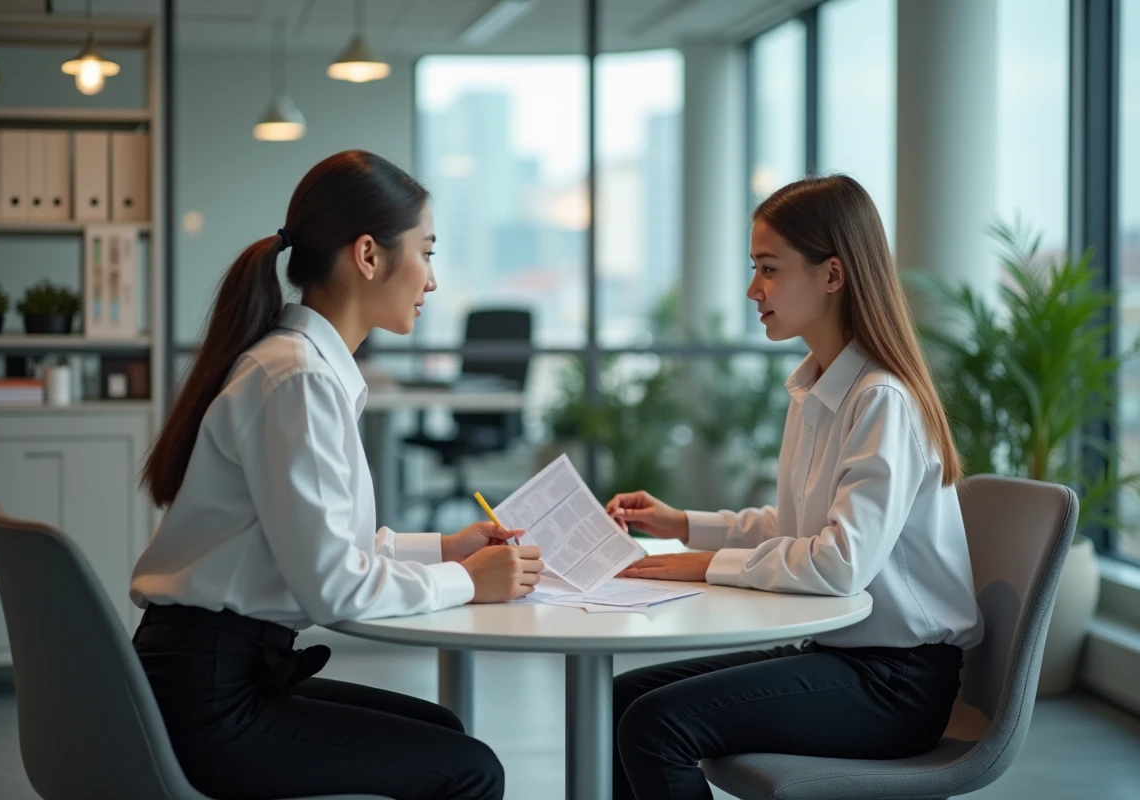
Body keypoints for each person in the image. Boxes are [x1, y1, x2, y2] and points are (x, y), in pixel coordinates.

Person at [130, 150, 542, 800]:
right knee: (470, 769)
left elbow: (324, 547)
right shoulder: (296, 379)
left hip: (207, 673)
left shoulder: (298, 367)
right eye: (427, 253)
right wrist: (464, 580)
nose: (432, 280)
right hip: (208, 703)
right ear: (370, 256)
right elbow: (334, 589)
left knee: (443, 733)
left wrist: (444, 548)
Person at [604, 174, 984, 800]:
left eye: (769, 269)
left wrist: (702, 565)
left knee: (656, 724)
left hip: (894, 683)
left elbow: (838, 565)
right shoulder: (817, 387)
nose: (753, 290)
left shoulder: (880, 399)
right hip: (836, 654)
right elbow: (796, 528)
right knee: (622, 697)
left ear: (833, 275)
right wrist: (683, 527)